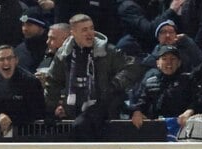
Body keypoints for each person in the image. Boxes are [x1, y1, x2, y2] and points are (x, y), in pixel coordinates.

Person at [43, 13, 143, 141]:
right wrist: (51, 109)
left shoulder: (108, 51)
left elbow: (133, 68)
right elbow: (53, 81)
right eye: (84, 30)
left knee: (82, 128)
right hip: (73, 112)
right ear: (73, 33)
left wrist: (115, 85)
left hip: (104, 110)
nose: (90, 33)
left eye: (91, 28)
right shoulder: (63, 55)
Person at [0, 44, 45, 137]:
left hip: (26, 135)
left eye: (9, 58)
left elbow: (38, 111)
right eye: (1, 59)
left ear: (16, 60)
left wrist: (12, 119)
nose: (6, 63)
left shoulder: (30, 81)